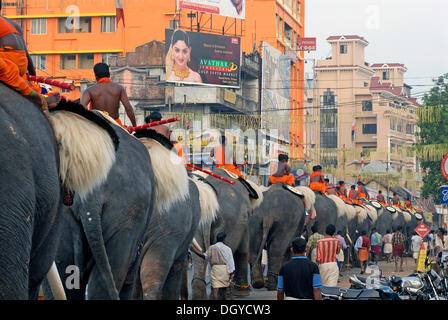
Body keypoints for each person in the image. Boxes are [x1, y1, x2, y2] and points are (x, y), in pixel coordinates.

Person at [0, 14, 60, 109]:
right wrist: (33, 80)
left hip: (7, 59)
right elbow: (27, 56)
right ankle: (36, 94)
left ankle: (38, 99)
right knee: (21, 80)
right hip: (21, 61)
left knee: (12, 77)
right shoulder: (11, 23)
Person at [81, 62, 136, 128]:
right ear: (109, 74)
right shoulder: (119, 88)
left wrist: (92, 119)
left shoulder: (89, 90)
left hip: (97, 127)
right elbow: (129, 109)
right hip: (115, 126)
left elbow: (82, 107)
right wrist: (134, 126)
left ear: (96, 76)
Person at [204, 231, 235, 300]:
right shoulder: (228, 249)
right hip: (225, 269)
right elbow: (231, 262)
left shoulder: (212, 247)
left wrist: (194, 250)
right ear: (224, 239)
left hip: (215, 269)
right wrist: (231, 274)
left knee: (215, 290)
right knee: (224, 290)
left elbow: (205, 256)